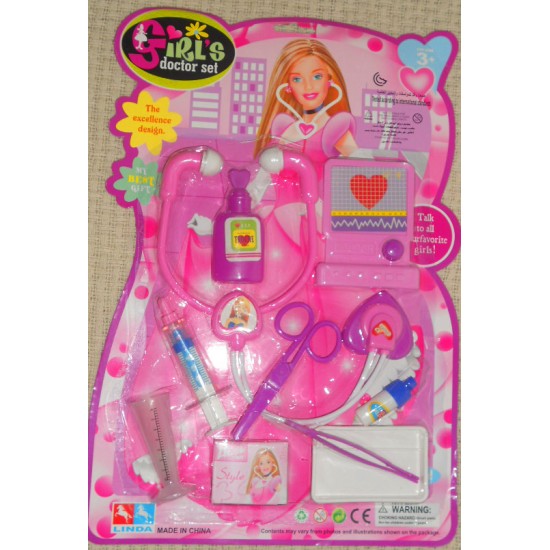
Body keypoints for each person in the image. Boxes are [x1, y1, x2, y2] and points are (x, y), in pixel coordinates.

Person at [254, 38, 359, 164]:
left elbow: (360, 164)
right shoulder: (284, 127)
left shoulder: (335, 129)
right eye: (297, 79)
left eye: (317, 76)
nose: (308, 86)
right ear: (288, 86)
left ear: (329, 79)